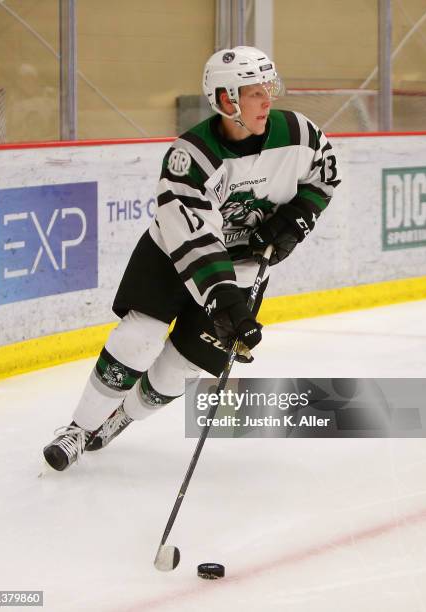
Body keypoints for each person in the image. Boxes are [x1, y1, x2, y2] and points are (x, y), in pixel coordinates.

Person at [43, 46, 341, 471]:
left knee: (180, 368)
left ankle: (119, 418)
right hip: (172, 255)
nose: (267, 101)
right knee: (138, 337)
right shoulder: (190, 158)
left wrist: (296, 219)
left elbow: (326, 177)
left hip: (242, 265)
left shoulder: (299, 133)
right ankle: (77, 428)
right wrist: (226, 301)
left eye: (268, 89)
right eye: (255, 93)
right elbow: (196, 244)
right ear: (226, 100)